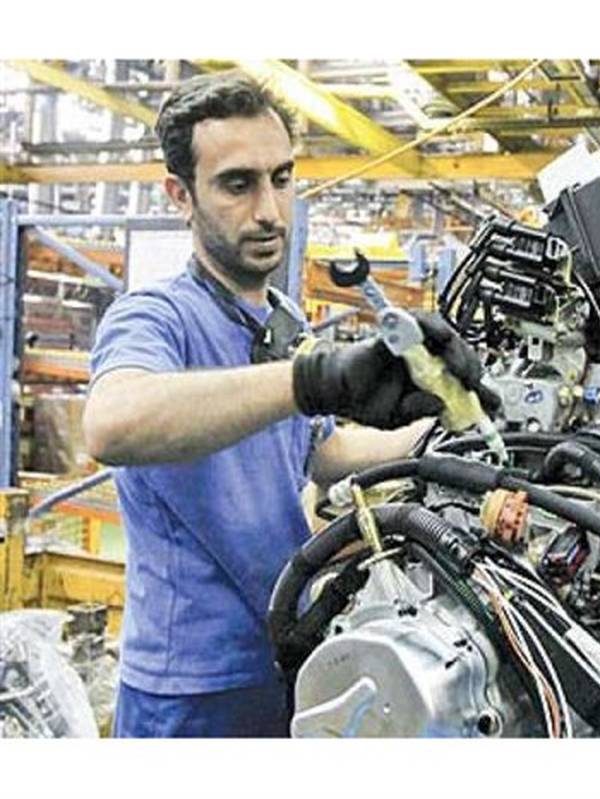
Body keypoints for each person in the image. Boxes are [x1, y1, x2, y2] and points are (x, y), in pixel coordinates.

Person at [82, 72, 496, 737]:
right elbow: (112, 423)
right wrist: (314, 378)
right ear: (180, 196)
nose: (271, 211)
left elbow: (321, 450)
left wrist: (439, 430)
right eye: (238, 184)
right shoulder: (155, 316)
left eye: (281, 179)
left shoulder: (282, 319)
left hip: (291, 651)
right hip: (192, 690)